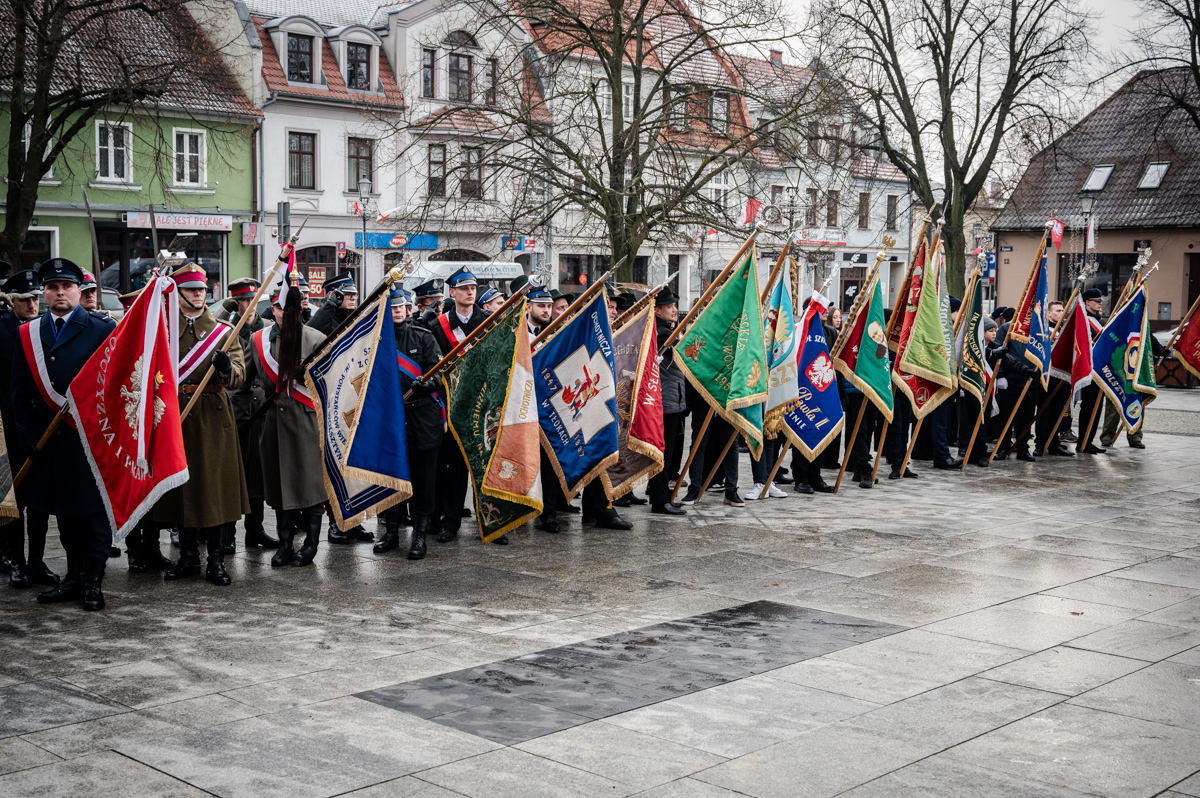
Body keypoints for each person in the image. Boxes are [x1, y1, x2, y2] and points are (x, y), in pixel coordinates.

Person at [13, 258, 116, 610]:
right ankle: (72, 579)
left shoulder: (101, 328)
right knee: (65, 513)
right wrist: (27, 433)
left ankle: (94, 582)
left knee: (94, 513)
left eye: (67, 286)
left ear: (78, 290)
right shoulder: (27, 332)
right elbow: (19, 390)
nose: (60, 293)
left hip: (89, 437)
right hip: (49, 439)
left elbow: (114, 385)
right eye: (53, 287)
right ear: (44, 292)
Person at [157, 263, 250, 586]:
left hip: (212, 417)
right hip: (175, 416)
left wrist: (225, 369)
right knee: (183, 487)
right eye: (192, 289)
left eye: (202, 290)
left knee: (214, 490)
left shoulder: (224, 332)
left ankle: (215, 560)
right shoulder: (165, 329)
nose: (199, 295)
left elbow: (239, 376)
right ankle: (187, 558)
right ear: (178, 293)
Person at [247, 282, 327, 567]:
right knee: (280, 486)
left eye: (292, 307)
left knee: (310, 485)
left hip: (306, 421)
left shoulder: (317, 339)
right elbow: (242, 380)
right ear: (273, 308)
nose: (286, 313)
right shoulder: (258, 340)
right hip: (273, 424)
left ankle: (312, 544)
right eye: (280, 308)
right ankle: (284, 544)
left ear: (301, 308)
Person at [0, 267, 59, 589]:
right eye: (25, 300)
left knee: (39, 501)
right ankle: (17, 562)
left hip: (44, 427)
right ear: (13, 302)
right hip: (9, 428)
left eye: (36, 299)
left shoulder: (43, 330)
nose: (33, 305)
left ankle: (37, 562)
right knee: (14, 502)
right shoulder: (2, 331)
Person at [375, 287, 444, 559]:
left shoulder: (423, 337)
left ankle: (419, 536)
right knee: (391, 479)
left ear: (408, 308)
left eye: (401, 307)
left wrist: (425, 384)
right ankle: (391, 532)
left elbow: (439, 374)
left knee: (423, 480)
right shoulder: (376, 340)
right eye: (392, 308)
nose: (398, 311)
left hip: (422, 419)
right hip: (389, 419)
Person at [431, 267, 499, 543]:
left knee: (485, 465)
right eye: (464, 288)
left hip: (482, 404)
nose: (470, 292)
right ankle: (449, 522)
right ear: (453, 292)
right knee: (452, 466)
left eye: (473, 288)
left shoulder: (489, 321)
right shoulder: (438, 326)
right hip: (451, 405)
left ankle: (492, 521)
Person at [308, 271, 372, 544]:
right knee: (333, 462)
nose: (353, 298)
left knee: (353, 464)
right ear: (333, 295)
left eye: (355, 295)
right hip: (332, 400)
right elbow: (310, 332)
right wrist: (329, 306)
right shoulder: (326, 320)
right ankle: (336, 523)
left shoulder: (356, 320)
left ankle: (353, 520)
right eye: (347, 295)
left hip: (355, 397)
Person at [222, 278, 279, 553]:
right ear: (236, 302)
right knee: (235, 475)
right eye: (244, 301)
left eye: (253, 300)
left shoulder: (267, 330)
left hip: (260, 411)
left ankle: (254, 530)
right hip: (234, 411)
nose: (250, 306)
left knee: (257, 475)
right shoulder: (226, 330)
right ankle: (227, 533)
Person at [646, 288, 688, 515]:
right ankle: (660, 501)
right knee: (664, 453)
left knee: (667, 453)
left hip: (672, 402)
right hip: (664, 403)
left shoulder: (666, 330)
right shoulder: (661, 333)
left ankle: (660, 496)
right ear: (657, 310)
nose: (674, 310)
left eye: (674, 306)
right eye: (669, 307)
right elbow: (686, 348)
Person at [1034, 300, 1074, 457]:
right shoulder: (1042, 330)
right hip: (1046, 376)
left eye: (1063, 310)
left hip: (1062, 376)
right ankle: (1040, 443)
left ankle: (1054, 443)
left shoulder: (1064, 331)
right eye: (1057, 310)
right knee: (1044, 411)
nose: (1061, 313)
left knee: (1058, 412)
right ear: (1048, 313)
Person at [1076, 288, 1107, 454]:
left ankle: (1089, 440)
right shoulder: (1084, 321)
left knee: (1096, 406)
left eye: (1100, 301)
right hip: (1088, 369)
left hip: (1100, 370)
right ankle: (1083, 441)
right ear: (1087, 302)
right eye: (1096, 301)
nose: (1100, 303)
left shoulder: (1099, 321)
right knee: (1088, 406)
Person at [308, 270, 359, 335]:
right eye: (348, 294)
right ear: (331, 294)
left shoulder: (356, 317)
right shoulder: (325, 320)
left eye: (354, 294)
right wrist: (330, 304)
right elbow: (309, 333)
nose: (353, 298)